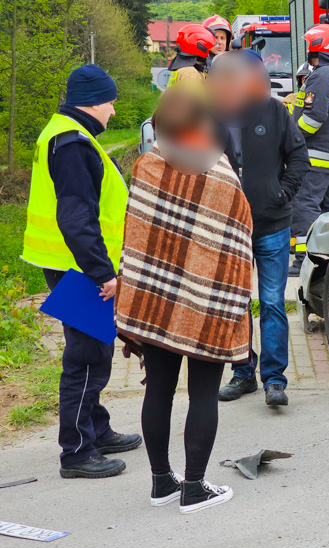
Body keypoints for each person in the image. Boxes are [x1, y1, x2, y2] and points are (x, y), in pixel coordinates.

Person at [115, 85, 254, 514]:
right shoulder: (221, 174)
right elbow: (237, 242)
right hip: (208, 303)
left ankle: (161, 483)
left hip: (155, 299)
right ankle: (193, 488)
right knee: (203, 395)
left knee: (157, 389)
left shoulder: (148, 165)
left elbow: (136, 236)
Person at [22, 64, 141, 479]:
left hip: (67, 262)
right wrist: (101, 273)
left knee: (93, 350)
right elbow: (77, 217)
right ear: (92, 101)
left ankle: (97, 429)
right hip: (77, 267)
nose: (112, 111)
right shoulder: (72, 143)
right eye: (109, 102)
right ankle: (76, 451)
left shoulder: (65, 132)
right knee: (87, 356)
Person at [208, 50, 310, 407]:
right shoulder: (210, 114)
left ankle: (275, 380)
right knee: (235, 303)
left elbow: (299, 157)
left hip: (272, 224)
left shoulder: (274, 111)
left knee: (271, 303)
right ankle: (241, 373)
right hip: (226, 227)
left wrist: (283, 193)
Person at [288, 24, 329, 277]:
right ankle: (327, 261)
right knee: (327, 208)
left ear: (318, 48)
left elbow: (314, 118)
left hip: (314, 156)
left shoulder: (322, 76)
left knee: (304, 206)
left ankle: (304, 261)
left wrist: (291, 140)